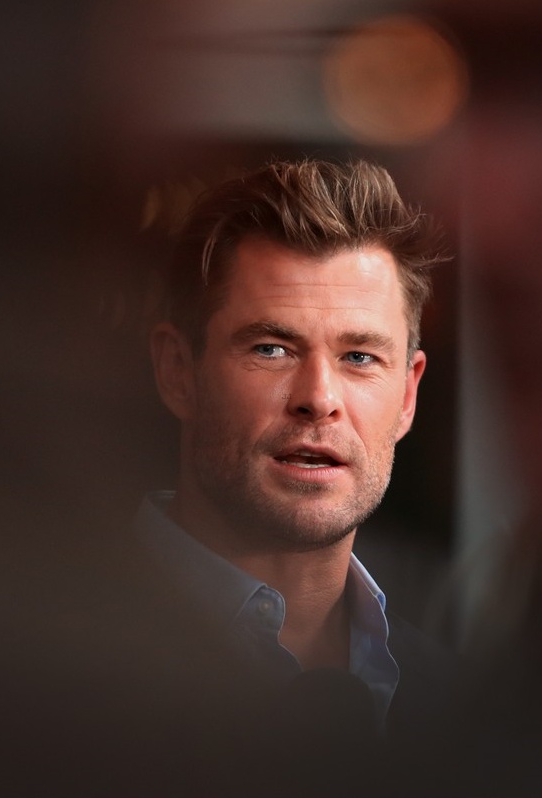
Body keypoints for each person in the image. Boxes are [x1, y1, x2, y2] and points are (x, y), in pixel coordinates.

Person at [133, 159, 454, 795]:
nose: (318, 399)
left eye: (359, 356)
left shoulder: (467, 707)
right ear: (178, 372)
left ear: (408, 395)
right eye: (271, 348)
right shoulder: (28, 657)